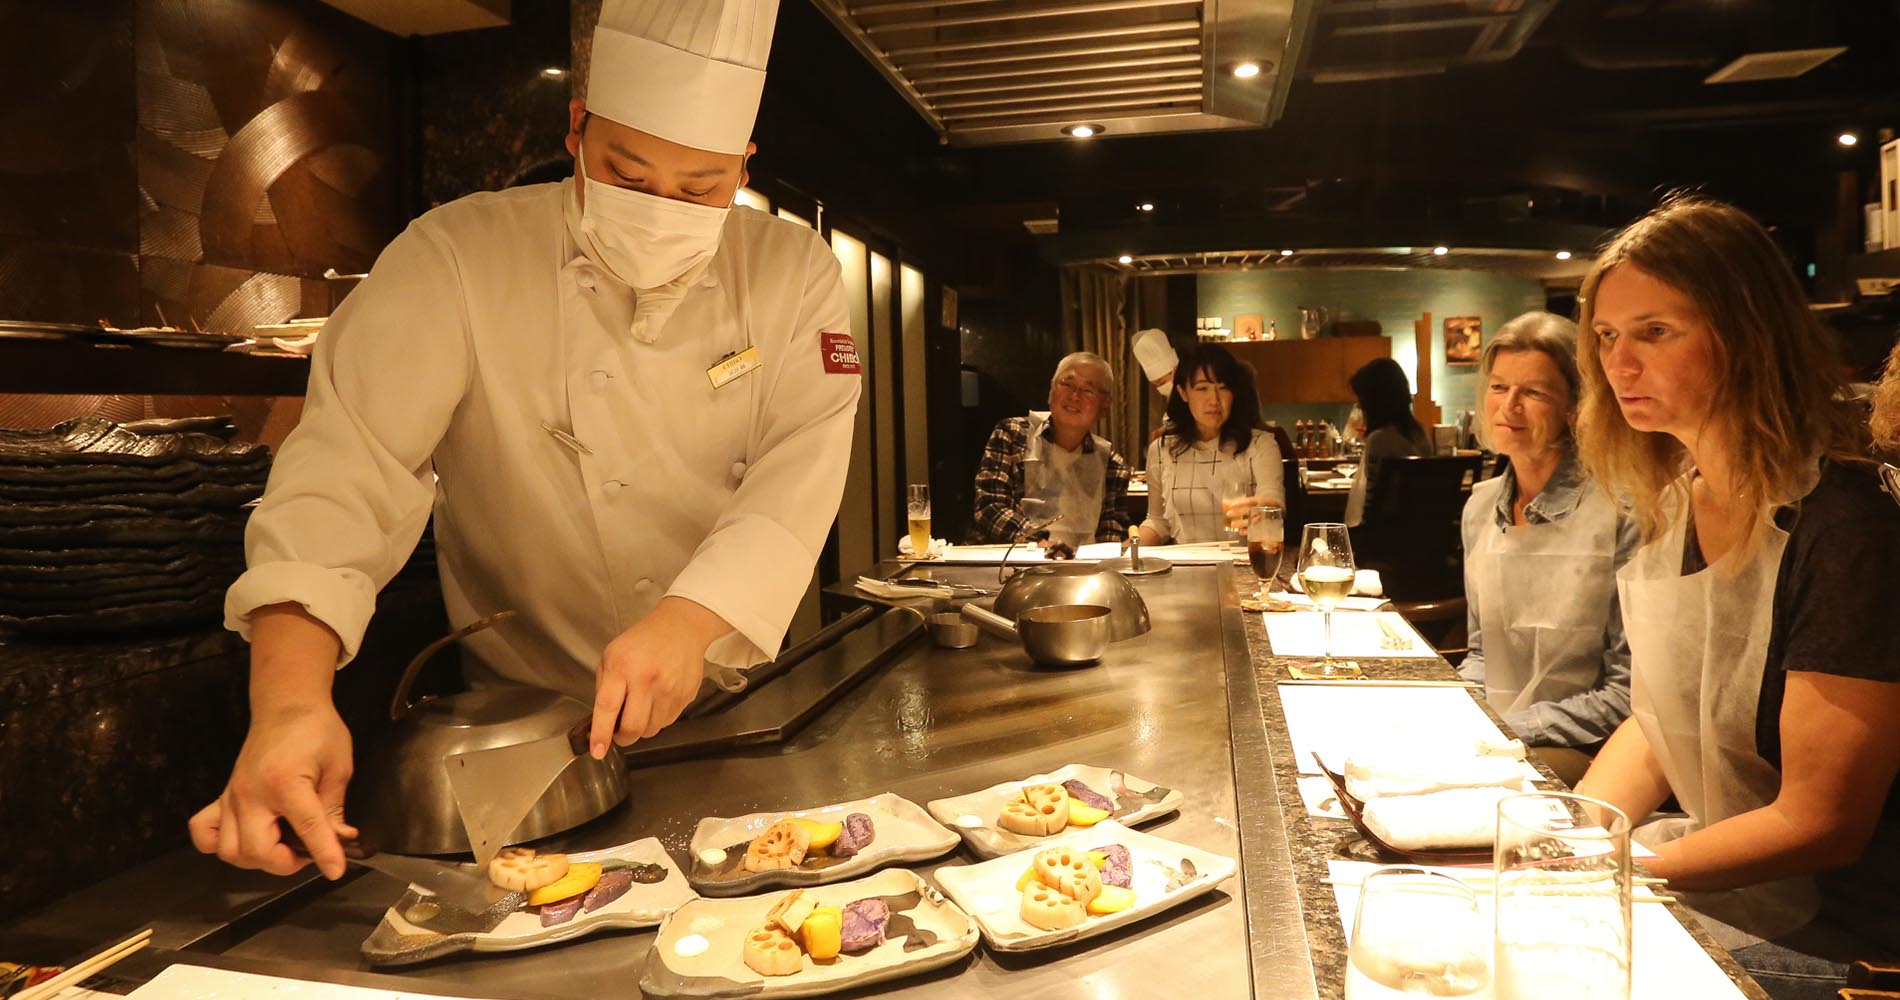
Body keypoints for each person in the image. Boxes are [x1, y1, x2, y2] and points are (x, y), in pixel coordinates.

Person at [188, 0, 864, 882]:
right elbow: (345, 472)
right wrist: (287, 703)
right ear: (577, 129)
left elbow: (799, 471)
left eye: (701, 188)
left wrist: (689, 622)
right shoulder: (457, 257)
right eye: (628, 172)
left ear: (743, 165)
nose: (664, 208)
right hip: (524, 737)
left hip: (740, 707)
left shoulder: (791, 268)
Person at [1569, 193, 1900, 999]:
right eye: (1608, 337)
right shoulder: (1681, 496)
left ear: (1747, 333)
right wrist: (1571, 837)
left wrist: (1619, 867)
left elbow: (1822, 822)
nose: (1620, 364)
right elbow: (1659, 724)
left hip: (1850, 943)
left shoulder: (1846, 525)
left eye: (1656, 331)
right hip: (1720, 880)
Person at [1455, 311, 1638, 787]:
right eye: (1498, 388)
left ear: (1576, 407)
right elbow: (1481, 653)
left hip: (1590, 749)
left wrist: (1503, 731)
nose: (1508, 407)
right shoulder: (1479, 509)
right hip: (1494, 736)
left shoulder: (1624, 510)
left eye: (1533, 392)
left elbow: (1626, 693)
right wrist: (1451, 708)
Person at [972, 352, 1132, 550]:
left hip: (1084, 572)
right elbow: (989, 507)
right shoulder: (1013, 435)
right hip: (1016, 564)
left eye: (1088, 390)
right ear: (1051, 389)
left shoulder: (1113, 465)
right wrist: (1039, 543)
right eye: (1067, 384)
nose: (1074, 396)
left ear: (1105, 406)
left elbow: (1110, 531)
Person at [1137, 344, 1284, 545]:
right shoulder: (1163, 449)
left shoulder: (1259, 444)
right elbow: (1158, 521)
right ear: (1183, 393)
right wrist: (1128, 549)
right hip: (1186, 566)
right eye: (1202, 388)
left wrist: (1261, 507)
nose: (1214, 400)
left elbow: (1272, 499)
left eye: (1223, 388)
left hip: (1244, 563)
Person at [1343, 357, 1432, 526]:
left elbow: (1371, 510)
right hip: (1419, 537)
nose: (1360, 406)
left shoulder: (1379, 440)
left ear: (1374, 401)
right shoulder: (1420, 435)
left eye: (1362, 399)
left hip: (1383, 542)